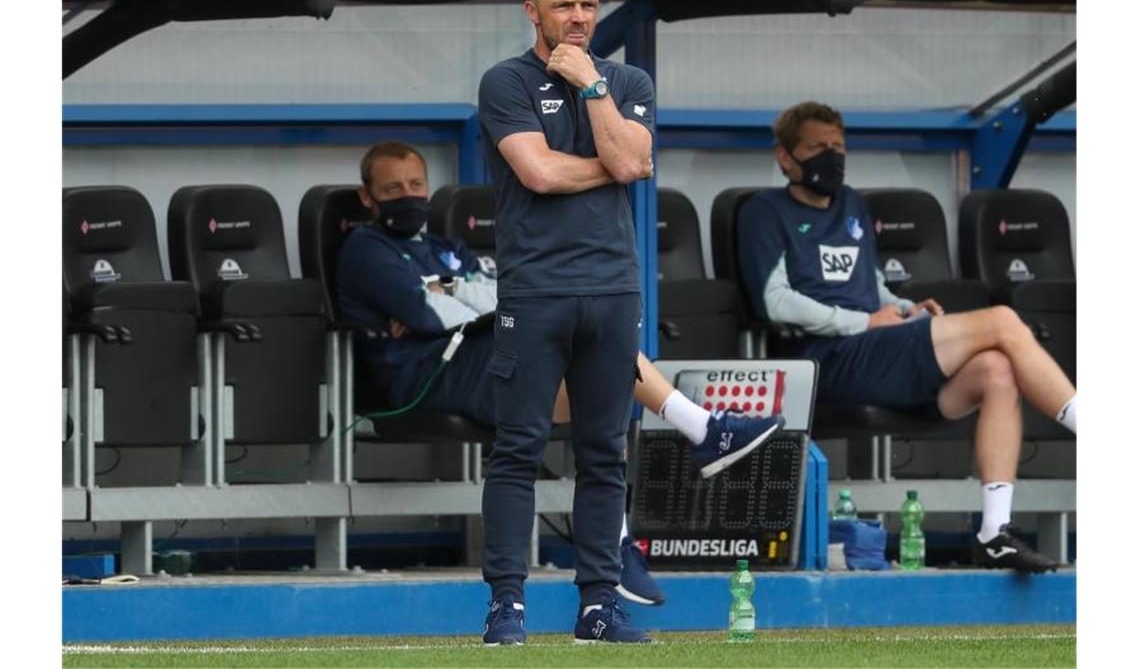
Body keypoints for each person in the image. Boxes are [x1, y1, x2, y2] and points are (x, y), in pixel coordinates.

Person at [336, 140, 784, 633]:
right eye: (392, 188)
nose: (407, 195)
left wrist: (451, 295)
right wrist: (454, 300)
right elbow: (429, 314)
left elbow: (493, 295)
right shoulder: (366, 249)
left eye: (415, 184)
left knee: (604, 365)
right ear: (367, 195)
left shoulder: (445, 247)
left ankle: (622, 539)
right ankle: (698, 433)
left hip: (483, 355)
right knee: (593, 354)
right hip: (423, 375)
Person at [737, 100, 1077, 574]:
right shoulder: (763, 212)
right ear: (785, 157)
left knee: (998, 370)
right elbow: (775, 302)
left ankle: (994, 532)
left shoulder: (852, 204)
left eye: (838, 146)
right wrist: (863, 322)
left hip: (879, 352)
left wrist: (901, 308)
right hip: (825, 361)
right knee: (1001, 321)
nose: (830, 156)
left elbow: (872, 285)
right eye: (816, 146)